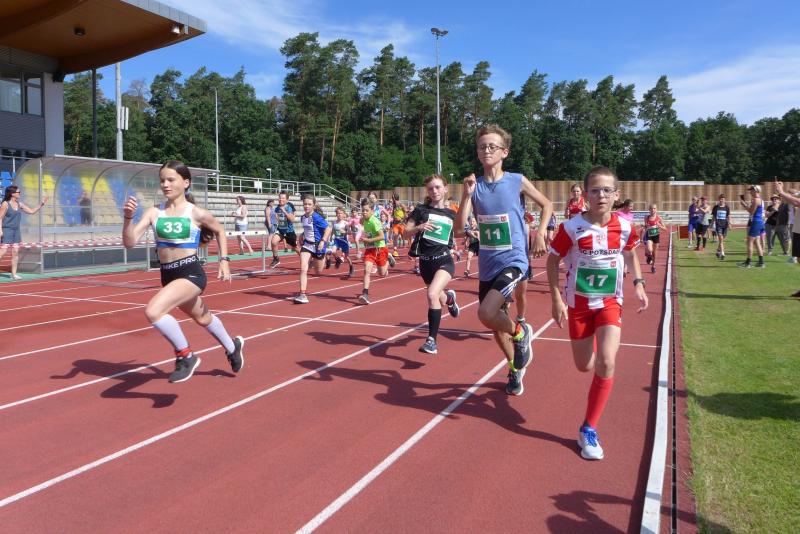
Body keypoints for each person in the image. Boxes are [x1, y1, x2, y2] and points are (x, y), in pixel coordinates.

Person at [546, 165, 648, 460]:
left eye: (607, 190)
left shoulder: (625, 227)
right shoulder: (571, 228)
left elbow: (630, 254)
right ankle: (593, 354)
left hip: (609, 302)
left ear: (616, 194)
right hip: (578, 305)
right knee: (585, 366)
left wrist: (639, 283)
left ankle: (589, 427)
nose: (601, 195)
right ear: (586, 195)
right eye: (595, 190)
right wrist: (556, 298)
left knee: (607, 360)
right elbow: (552, 261)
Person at [122, 160, 243, 383]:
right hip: (168, 276)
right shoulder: (154, 212)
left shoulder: (196, 213)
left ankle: (185, 355)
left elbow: (219, 230)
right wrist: (128, 218)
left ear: (186, 183)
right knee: (203, 318)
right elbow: (129, 242)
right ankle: (232, 347)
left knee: (153, 311)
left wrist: (224, 260)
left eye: (171, 180)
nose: (165, 184)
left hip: (191, 273)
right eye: (162, 180)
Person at [454, 124, 553, 396]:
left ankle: (520, 333)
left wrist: (540, 234)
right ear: (477, 152)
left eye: (492, 146)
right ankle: (514, 366)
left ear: (504, 152)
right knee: (494, 322)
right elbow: (459, 230)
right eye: (482, 147)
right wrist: (466, 195)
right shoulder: (474, 186)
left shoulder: (516, 181)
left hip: (514, 258)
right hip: (488, 263)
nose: (487, 150)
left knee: (486, 312)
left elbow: (547, 204)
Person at [403, 174, 460, 354]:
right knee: (439, 297)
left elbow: (459, 232)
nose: (434, 191)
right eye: (430, 188)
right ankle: (449, 299)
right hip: (425, 263)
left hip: (444, 260)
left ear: (445, 189)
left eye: (437, 187)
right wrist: (418, 228)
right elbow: (405, 233)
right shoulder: (420, 210)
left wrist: (471, 233)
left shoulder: (452, 214)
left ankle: (431, 341)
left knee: (432, 294)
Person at [0, 185, 47, 280]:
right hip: (6, 229)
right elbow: (0, 217)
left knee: (15, 252)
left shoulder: (19, 204)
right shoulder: (5, 204)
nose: (20, 194)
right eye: (18, 192)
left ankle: (14, 274)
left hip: (16, 231)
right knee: (3, 251)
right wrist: (0, 230)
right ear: (12, 194)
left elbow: (31, 211)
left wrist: (41, 204)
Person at [293, 194, 332, 303]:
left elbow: (328, 229)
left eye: (309, 204)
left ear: (314, 206)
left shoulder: (317, 217)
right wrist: (302, 235)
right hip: (307, 245)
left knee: (318, 271)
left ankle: (327, 255)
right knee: (303, 269)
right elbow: (308, 229)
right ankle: (302, 294)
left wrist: (323, 241)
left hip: (318, 246)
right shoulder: (303, 217)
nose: (306, 206)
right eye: (305, 204)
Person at [358, 201, 390, 304]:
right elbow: (360, 222)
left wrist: (369, 240)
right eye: (363, 210)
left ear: (372, 211)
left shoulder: (374, 221)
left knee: (382, 274)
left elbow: (382, 236)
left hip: (380, 248)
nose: (364, 212)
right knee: (366, 270)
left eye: (366, 210)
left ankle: (388, 259)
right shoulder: (363, 220)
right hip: (370, 249)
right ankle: (365, 293)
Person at [774, 179, 800, 296]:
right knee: (799, 259)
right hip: (798, 230)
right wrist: (781, 190)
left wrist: (781, 191)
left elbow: (796, 202)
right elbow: (792, 197)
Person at [738, 185, 765, 268]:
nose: (750, 192)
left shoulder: (756, 200)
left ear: (756, 191)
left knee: (749, 242)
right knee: (757, 242)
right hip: (759, 222)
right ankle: (761, 262)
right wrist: (746, 204)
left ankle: (748, 263)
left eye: (752, 190)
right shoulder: (760, 200)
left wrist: (744, 205)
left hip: (756, 222)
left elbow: (751, 211)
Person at [269, 191, 298, 268]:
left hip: (289, 231)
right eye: (280, 198)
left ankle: (306, 260)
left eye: (283, 198)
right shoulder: (277, 208)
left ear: (287, 200)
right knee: (273, 242)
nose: (280, 199)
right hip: (281, 230)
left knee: (296, 248)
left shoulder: (288, 208)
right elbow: (277, 217)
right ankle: (276, 259)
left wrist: (284, 211)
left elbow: (292, 219)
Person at [328, 206, 355, 278]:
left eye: (341, 213)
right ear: (336, 214)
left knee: (346, 257)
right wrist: (331, 237)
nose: (339, 215)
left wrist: (345, 232)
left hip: (344, 241)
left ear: (343, 215)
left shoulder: (345, 223)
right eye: (338, 213)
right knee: (333, 251)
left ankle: (351, 267)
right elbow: (333, 230)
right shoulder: (334, 222)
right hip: (337, 240)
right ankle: (338, 260)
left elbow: (350, 232)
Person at [642, 204, 668, 274]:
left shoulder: (659, 218)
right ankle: (649, 256)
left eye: (654, 208)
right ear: (649, 210)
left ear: (656, 209)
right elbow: (645, 226)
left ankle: (653, 266)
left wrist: (660, 226)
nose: (653, 210)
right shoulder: (646, 218)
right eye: (651, 209)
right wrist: (644, 227)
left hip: (656, 236)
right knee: (650, 249)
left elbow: (665, 228)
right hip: (649, 235)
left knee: (654, 253)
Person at [711, 194, 731, 260]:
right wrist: (712, 224)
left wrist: (729, 224)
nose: (721, 200)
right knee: (721, 239)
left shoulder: (727, 207)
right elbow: (714, 217)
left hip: (725, 225)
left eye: (722, 199)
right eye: (720, 199)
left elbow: (728, 216)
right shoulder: (716, 207)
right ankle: (722, 254)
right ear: (718, 199)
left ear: (724, 200)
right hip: (718, 225)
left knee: (722, 239)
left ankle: (718, 250)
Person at [390, 193, 406, 257]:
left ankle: (411, 250)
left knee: (404, 237)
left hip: (401, 224)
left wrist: (402, 219)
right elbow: (393, 214)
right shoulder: (393, 205)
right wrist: (393, 217)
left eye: (392, 198)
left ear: (394, 198)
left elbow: (406, 213)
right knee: (395, 235)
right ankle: (395, 251)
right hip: (395, 224)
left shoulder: (401, 204)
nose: (391, 199)